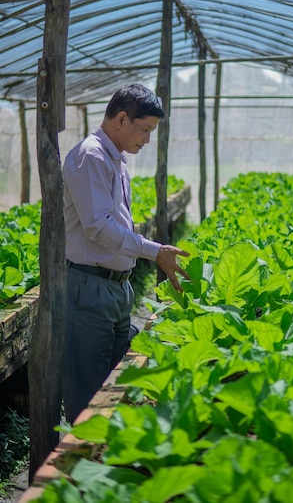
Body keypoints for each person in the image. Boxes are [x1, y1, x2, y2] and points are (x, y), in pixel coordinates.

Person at [62, 83, 190, 424]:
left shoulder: (114, 159)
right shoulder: (90, 156)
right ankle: (77, 469)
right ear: (121, 118)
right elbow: (98, 228)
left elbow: (116, 222)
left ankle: (104, 455)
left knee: (115, 387)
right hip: (89, 288)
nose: (147, 139)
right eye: (144, 129)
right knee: (89, 394)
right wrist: (153, 251)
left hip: (117, 287)